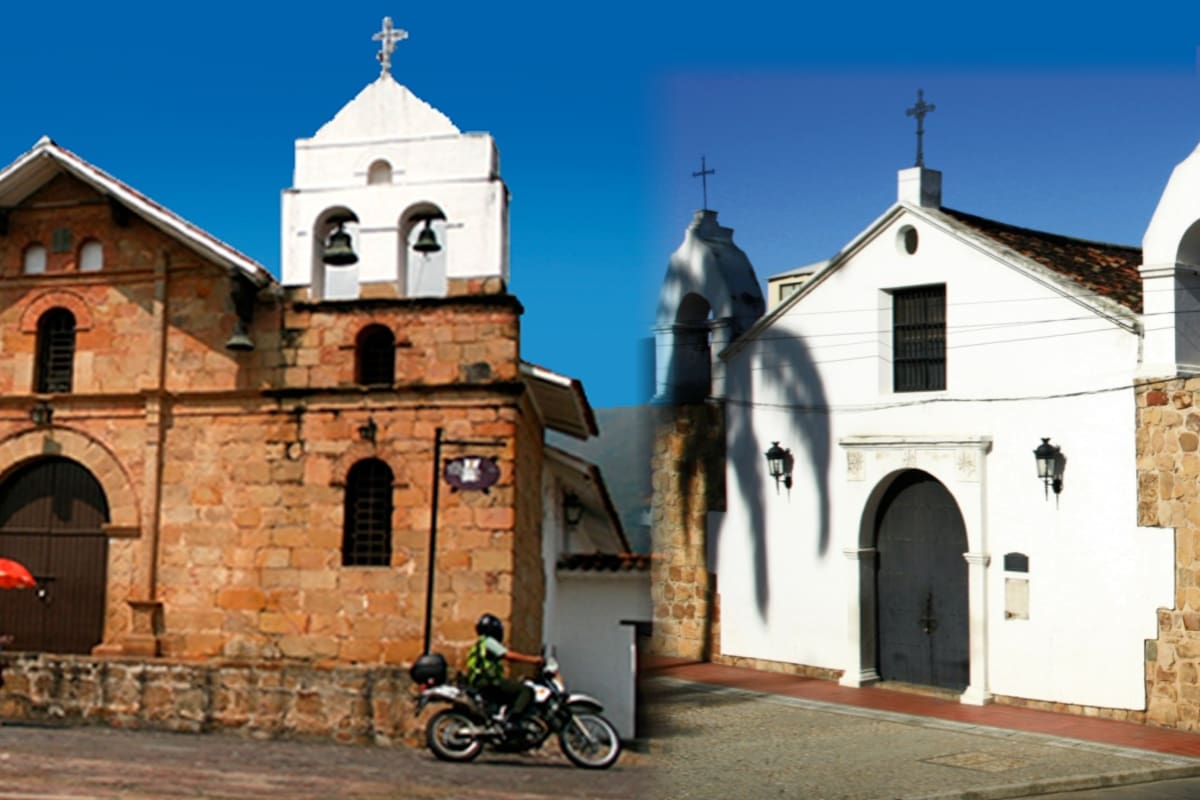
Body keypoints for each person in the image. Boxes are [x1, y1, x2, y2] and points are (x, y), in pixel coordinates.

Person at [465, 613, 543, 733]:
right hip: (488, 681)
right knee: (525, 691)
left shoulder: (481, 642)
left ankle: (502, 718)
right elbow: (508, 655)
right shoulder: (489, 642)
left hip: (483, 680)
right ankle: (512, 721)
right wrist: (533, 660)